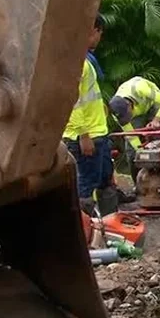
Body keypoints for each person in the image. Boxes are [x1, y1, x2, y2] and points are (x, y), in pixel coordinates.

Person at [63, 16, 116, 215]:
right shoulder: (77, 63)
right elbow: (72, 102)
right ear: (92, 31)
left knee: (105, 181)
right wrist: (83, 134)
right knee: (85, 187)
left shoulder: (85, 61)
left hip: (97, 133)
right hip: (85, 136)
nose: (99, 39)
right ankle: (86, 234)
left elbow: (88, 96)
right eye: (99, 34)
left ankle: (112, 227)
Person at [107, 76, 160, 184]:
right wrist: (141, 154)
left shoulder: (141, 89)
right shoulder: (117, 113)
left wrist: (156, 120)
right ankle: (138, 185)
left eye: (127, 115)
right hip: (138, 112)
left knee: (158, 142)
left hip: (153, 104)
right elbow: (132, 136)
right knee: (131, 151)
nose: (126, 118)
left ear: (129, 106)